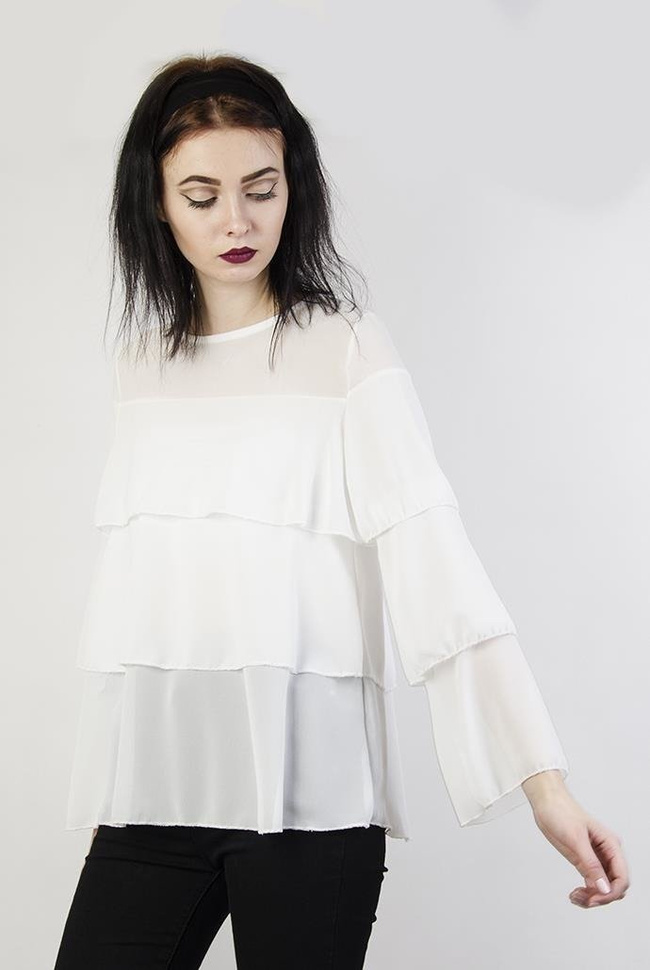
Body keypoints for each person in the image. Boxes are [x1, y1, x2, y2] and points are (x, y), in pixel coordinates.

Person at [53, 53, 629, 970]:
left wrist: (544, 786)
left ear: (295, 188)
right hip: (156, 797)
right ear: (156, 204)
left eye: (261, 189)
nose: (237, 221)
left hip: (311, 809)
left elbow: (436, 567)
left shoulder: (347, 350)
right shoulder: (142, 367)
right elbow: (144, 605)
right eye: (202, 196)